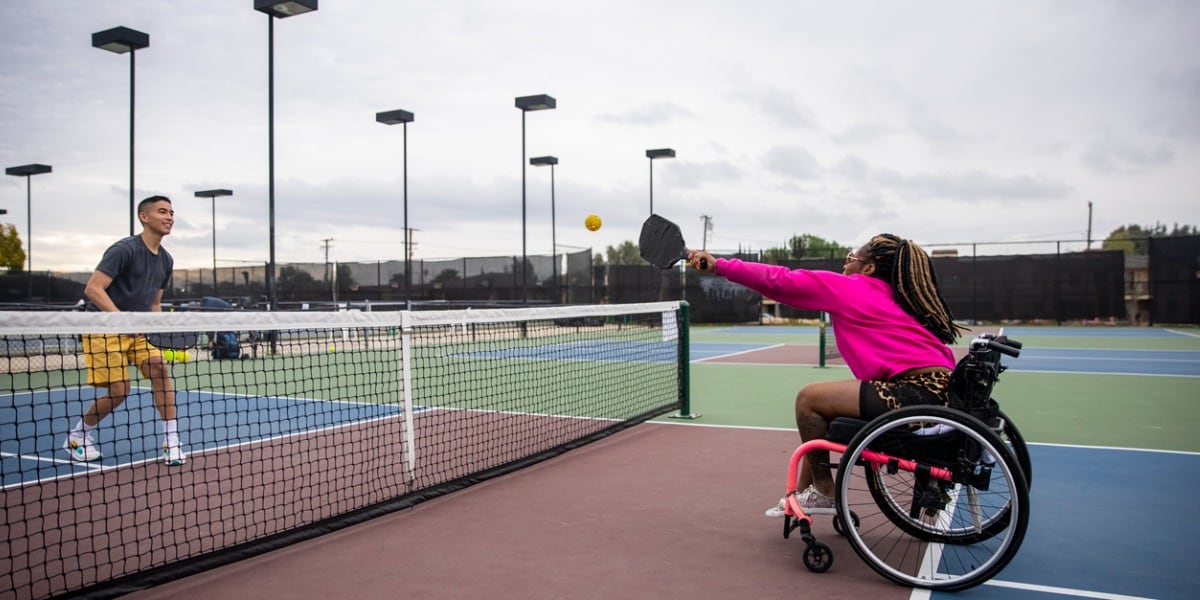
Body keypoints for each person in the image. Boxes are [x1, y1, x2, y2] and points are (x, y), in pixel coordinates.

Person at [686, 234, 966, 517]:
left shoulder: (851, 288)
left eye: (852, 257)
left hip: (914, 395)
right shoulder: (899, 299)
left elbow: (780, 280)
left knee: (809, 399)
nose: (846, 262)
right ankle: (800, 494)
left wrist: (718, 266)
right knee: (826, 410)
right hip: (941, 395)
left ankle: (823, 491)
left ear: (868, 268)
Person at [62, 195, 186, 466]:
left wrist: (158, 334)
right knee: (120, 391)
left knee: (160, 369)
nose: (169, 217)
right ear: (144, 217)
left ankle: (172, 441)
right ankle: (78, 436)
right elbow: (93, 288)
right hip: (103, 327)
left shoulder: (166, 260)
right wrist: (121, 321)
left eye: (172, 213)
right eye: (162, 212)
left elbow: (155, 303)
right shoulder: (124, 250)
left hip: (137, 331)